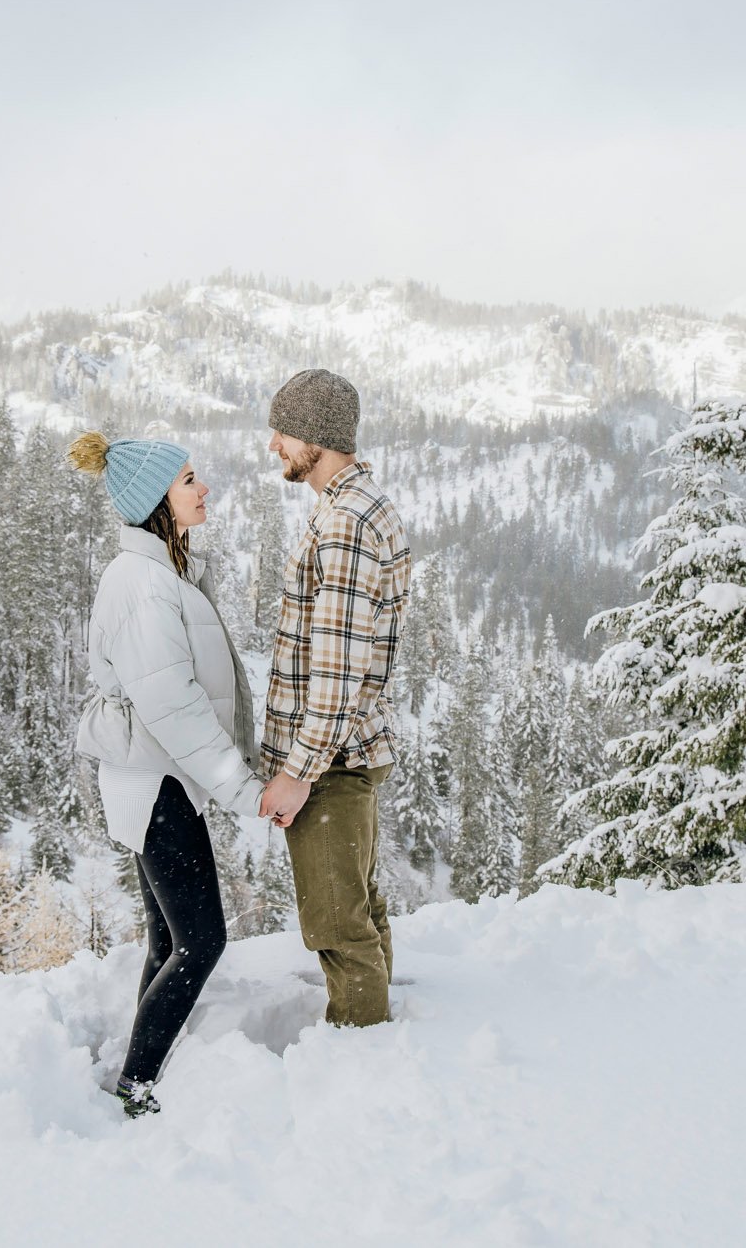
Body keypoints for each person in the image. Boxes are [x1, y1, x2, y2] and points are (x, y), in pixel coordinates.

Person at [68, 431, 263, 1119]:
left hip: (157, 778)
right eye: (187, 479)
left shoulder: (161, 575)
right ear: (156, 500)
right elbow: (175, 707)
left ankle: (136, 1069)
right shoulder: (145, 586)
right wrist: (242, 786)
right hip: (158, 783)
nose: (202, 486)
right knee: (202, 940)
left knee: (171, 938)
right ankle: (136, 1084)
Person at [257, 369, 412, 1028]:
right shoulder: (353, 505)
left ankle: (362, 1054)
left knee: (335, 923)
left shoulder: (345, 523)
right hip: (350, 750)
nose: (274, 446)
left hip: (332, 762)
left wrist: (298, 771)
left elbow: (337, 668)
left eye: (283, 432)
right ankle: (379, 1031)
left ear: (317, 438)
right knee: (360, 906)